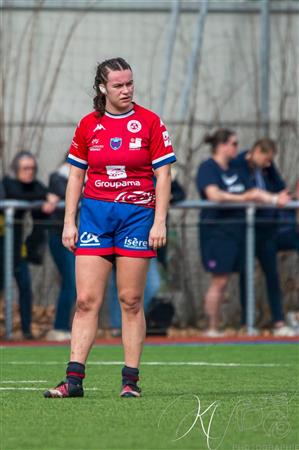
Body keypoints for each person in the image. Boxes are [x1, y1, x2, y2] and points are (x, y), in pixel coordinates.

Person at [44, 57, 176, 398]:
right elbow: (76, 175)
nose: (126, 90)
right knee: (86, 300)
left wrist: (159, 220)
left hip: (136, 215)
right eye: (118, 85)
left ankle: (130, 381)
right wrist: (69, 221)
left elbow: (164, 175)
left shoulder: (149, 123)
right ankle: (73, 381)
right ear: (102, 88)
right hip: (95, 217)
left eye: (129, 83)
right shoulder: (89, 125)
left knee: (130, 300)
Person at [196, 130, 286, 337]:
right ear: (222, 145)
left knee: (226, 280)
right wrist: (244, 197)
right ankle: (211, 328)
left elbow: (255, 192)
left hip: (235, 234)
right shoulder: (208, 167)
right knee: (218, 281)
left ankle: (218, 327)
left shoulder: (235, 169)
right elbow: (214, 195)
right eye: (234, 144)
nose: (237, 149)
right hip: (216, 232)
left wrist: (274, 199)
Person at [233, 138, 294, 336]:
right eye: (266, 159)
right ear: (257, 151)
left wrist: (279, 195)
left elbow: (281, 188)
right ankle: (246, 322)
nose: (268, 164)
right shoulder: (239, 163)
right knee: (246, 276)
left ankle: (278, 321)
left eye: (271, 161)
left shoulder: (267, 168)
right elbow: (247, 191)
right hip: (247, 228)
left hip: (267, 230)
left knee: (272, 275)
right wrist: (271, 198)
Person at [1, 151, 56, 339]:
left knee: (25, 287)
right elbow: (16, 193)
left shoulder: (34, 186)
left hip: (17, 248)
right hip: (2, 246)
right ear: (16, 169)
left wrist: (47, 199)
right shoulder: (7, 184)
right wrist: (41, 200)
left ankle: (25, 331)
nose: (29, 172)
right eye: (25, 168)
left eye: (32, 168)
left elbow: (43, 192)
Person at [46, 158, 76, 341]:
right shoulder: (58, 176)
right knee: (70, 282)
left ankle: (63, 325)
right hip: (59, 237)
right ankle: (59, 326)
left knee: (73, 283)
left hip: (76, 238)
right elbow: (63, 190)